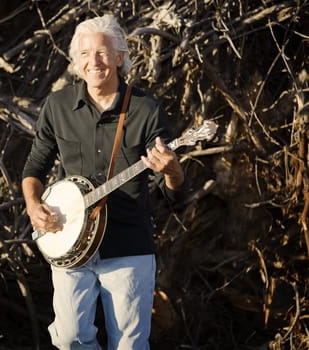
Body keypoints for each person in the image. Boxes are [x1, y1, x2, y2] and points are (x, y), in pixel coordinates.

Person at [21, 14, 186, 349]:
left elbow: (175, 195)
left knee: (129, 344)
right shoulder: (58, 107)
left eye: (102, 52)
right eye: (84, 54)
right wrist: (32, 205)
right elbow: (34, 169)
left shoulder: (145, 110)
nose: (93, 61)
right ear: (76, 61)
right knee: (69, 338)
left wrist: (171, 169)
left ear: (119, 58)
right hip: (70, 244)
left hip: (128, 245)